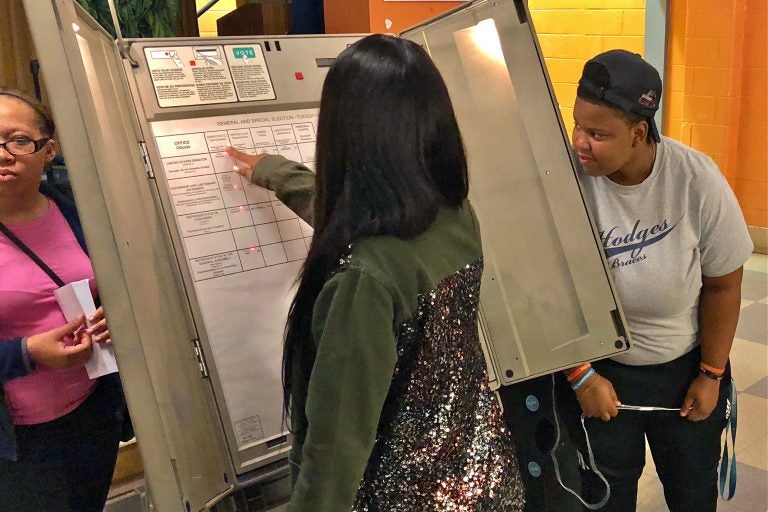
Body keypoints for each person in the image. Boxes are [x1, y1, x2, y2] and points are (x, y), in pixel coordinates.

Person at [226, 34, 525, 512]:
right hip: (482, 476)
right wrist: (278, 173)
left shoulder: (364, 282)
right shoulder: (454, 214)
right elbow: (361, 217)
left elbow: (334, 452)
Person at [563, 50, 753, 511]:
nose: (580, 142)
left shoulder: (695, 180)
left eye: (598, 133)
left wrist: (712, 374)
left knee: (692, 494)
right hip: (599, 372)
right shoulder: (565, 179)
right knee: (603, 499)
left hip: (683, 369)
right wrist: (580, 374)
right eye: (578, 126)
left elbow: (724, 286)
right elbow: (540, 289)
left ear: (639, 132)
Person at [0, 88, 127, 512]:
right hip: (16, 441)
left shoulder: (77, 212)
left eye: (18, 140)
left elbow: (105, 286)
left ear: (48, 149)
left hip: (91, 412)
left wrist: (116, 315)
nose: (4, 154)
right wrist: (27, 353)